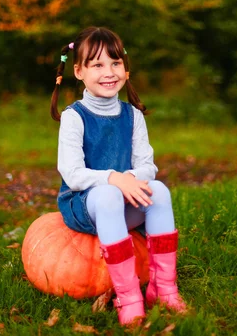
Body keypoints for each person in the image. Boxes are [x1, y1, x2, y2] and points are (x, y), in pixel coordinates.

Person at [50, 27, 187, 326]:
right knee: (109, 194)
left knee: (160, 190)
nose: (108, 72)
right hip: (84, 206)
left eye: (115, 63)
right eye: (97, 65)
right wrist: (115, 179)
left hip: (122, 201)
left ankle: (163, 289)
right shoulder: (75, 117)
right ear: (79, 71)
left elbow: (147, 167)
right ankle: (128, 297)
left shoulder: (132, 116)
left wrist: (127, 180)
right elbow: (73, 174)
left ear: (126, 68)